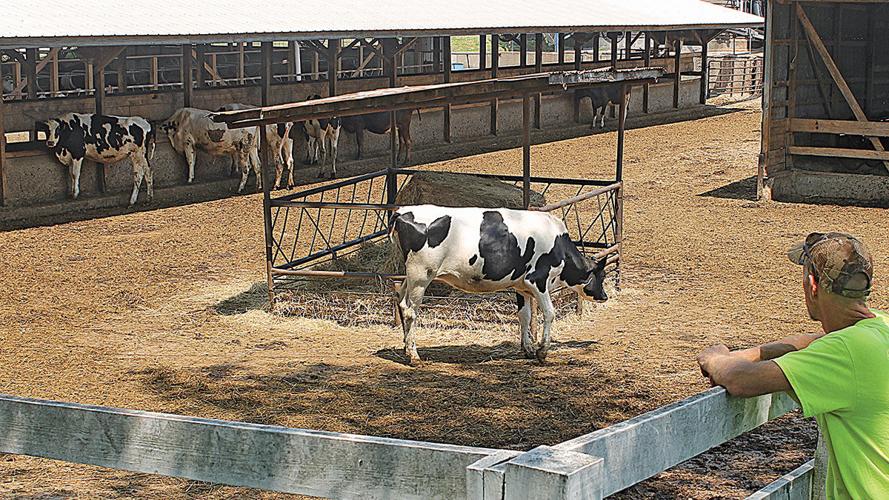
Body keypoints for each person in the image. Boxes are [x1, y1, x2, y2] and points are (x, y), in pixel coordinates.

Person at [697, 232, 888, 499]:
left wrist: (715, 358)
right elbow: (808, 342)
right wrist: (752, 352)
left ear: (812, 285)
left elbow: (741, 380)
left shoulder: (843, 352)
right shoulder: (879, 326)